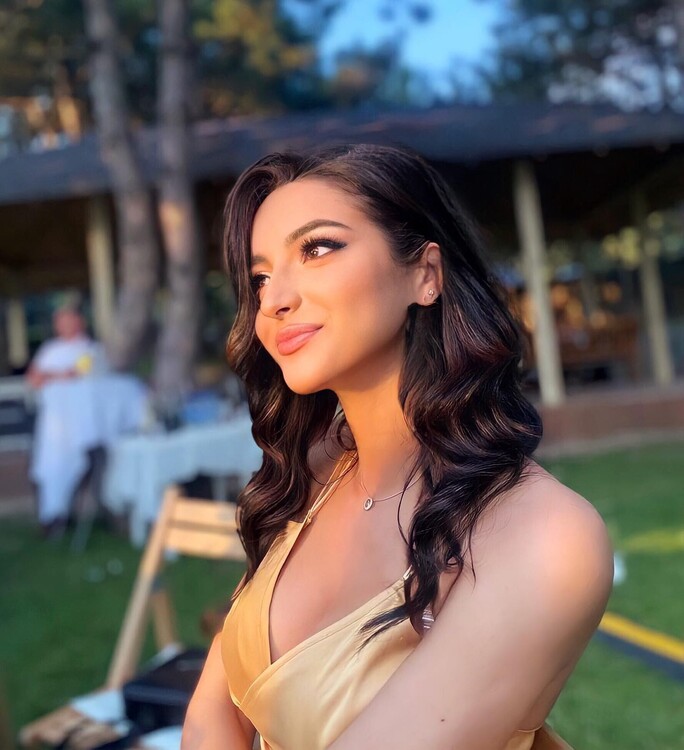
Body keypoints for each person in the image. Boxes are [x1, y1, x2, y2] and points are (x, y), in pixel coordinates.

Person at [183, 145, 613, 750]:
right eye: (260, 277)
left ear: (425, 274)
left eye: (317, 248)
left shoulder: (545, 536)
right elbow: (214, 712)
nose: (273, 300)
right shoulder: (312, 476)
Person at [27, 304, 109, 534]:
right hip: (53, 424)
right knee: (50, 469)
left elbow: (78, 372)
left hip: (80, 424)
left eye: (68, 320)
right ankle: (52, 517)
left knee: (79, 468)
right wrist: (55, 375)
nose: (63, 325)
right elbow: (34, 377)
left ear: (79, 321)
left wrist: (50, 375)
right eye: (60, 321)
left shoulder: (91, 349)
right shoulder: (49, 349)